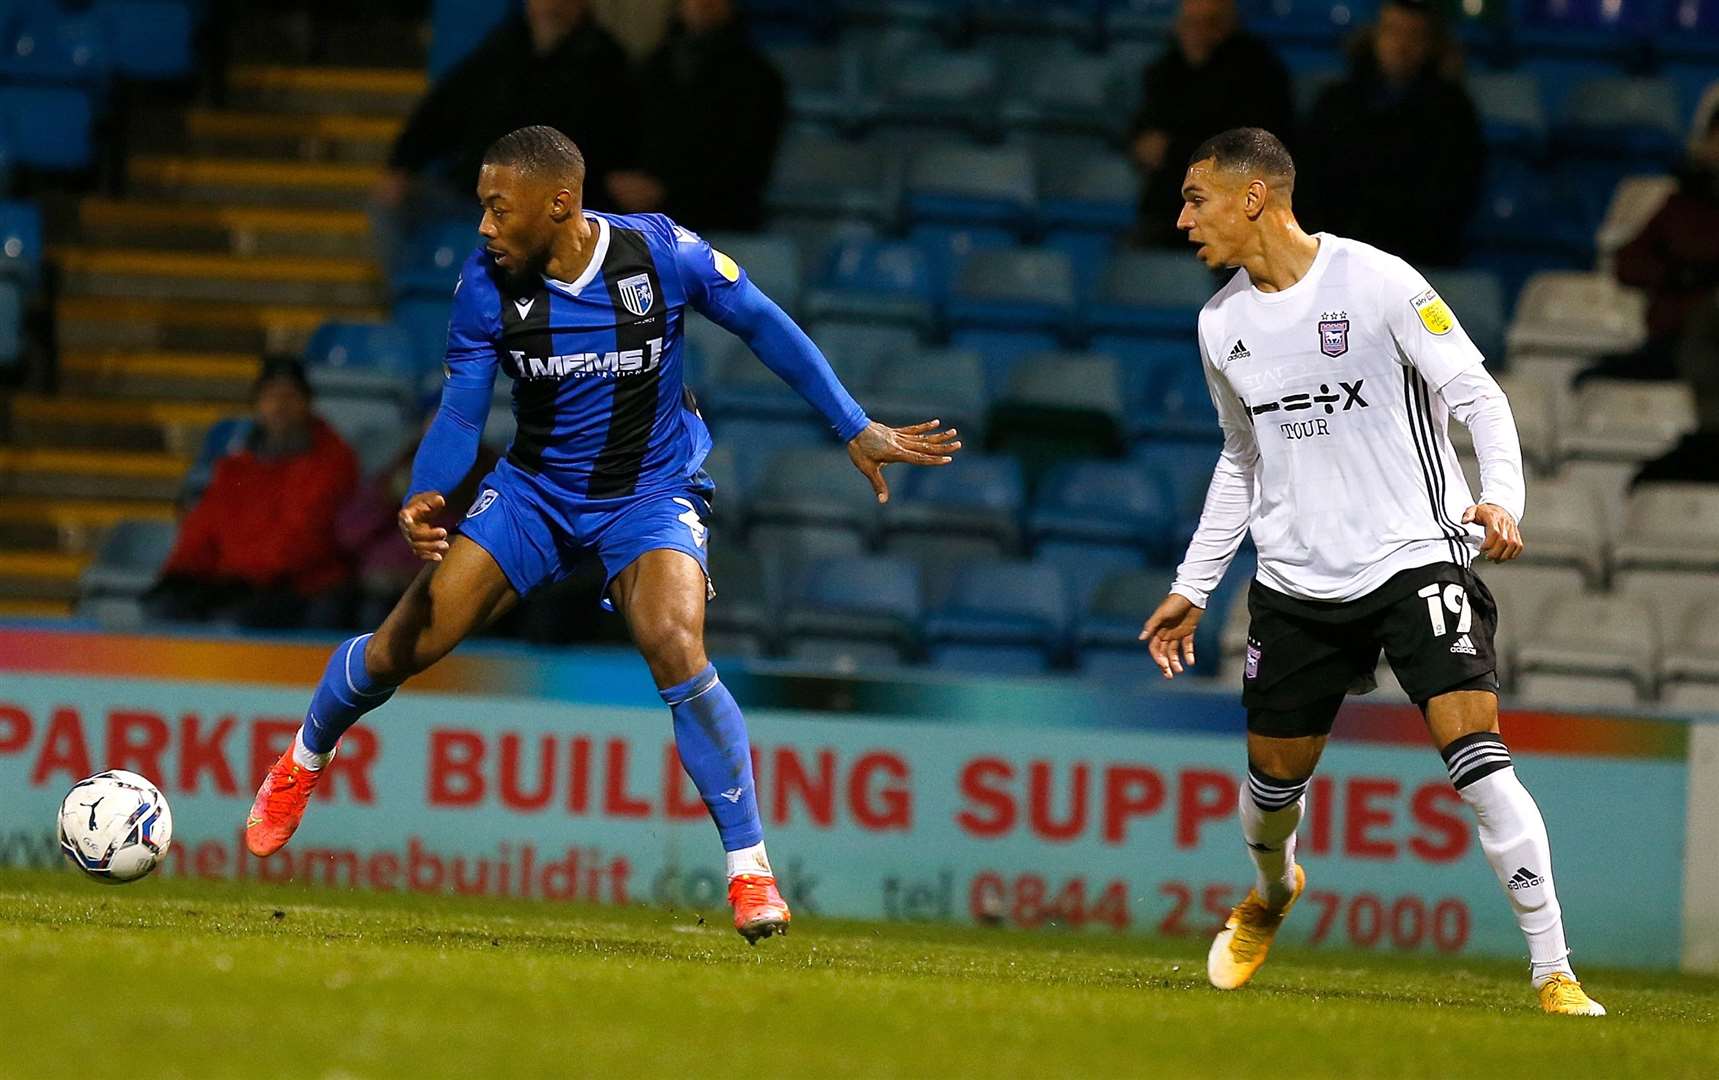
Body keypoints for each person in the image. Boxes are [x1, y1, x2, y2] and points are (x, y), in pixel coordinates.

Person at [244, 126, 961, 943]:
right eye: (481, 207)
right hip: (535, 493)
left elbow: (761, 322)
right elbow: (460, 406)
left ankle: (750, 871)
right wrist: (426, 493)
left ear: (559, 204)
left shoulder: (660, 257)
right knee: (402, 648)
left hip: (650, 492)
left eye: (495, 208)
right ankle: (304, 758)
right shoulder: (484, 286)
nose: (482, 226)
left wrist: (851, 423)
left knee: (674, 641)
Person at [1139, 128, 1605, 1016]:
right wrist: (1195, 585)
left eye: (1196, 198)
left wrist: (1500, 498)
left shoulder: (1378, 281)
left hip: (1414, 557)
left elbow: (1476, 394)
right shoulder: (1220, 324)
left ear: (1253, 198)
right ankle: (1272, 893)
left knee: (1479, 764)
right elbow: (1241, 460)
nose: (1181, 218)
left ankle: (1554, 972)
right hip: (1294, 583)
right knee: (1270, 792)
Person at [376, 0, 634, 227]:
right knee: (390, 205)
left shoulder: (606, 63)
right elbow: (442, 110)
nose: (550, 5)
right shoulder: (501, 50)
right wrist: (403, 164)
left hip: (554, 202)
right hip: (475, 191)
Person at [145, 358, 357, 629]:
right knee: (163, 608)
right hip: (240, 582)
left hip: (301, 586)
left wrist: (239, 577)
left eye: (289, 396)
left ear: (307, 403)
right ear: (258, 404)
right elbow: (204, 527)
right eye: (270, 397)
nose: (279, 406)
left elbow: (304, 539)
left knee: (235, 620)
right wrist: (181, 574)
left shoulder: (331, 460)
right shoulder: (236, 466)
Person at [1296, 0, 1483, 267]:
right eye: (1392, 31)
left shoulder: (1454, 111)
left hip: (1420, 260)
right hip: (1340, 254)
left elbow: (1453, 195)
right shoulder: (1336, 103)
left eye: (1414, 36)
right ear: (1375, 35)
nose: (1402, 46)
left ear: (1432, 44)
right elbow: (1312, 183)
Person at [603, 0, 787, 233]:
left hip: (723, 227)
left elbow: (746, 165)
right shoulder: (653, 67)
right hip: (648, 225)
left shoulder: (759, 79)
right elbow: (623, 136)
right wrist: (622, 182)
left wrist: (668, 192)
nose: (702, 3)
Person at [1127, 0, 1293, 249]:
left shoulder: (1259, 74)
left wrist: (1171, 150)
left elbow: (1250, 149)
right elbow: (1140, 131)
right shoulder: (1163, 71)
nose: (1198, 32)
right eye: (1190, 23)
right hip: (1166, 207)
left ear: (1230, 25)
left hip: (1233, 211)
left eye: (1210, 23)